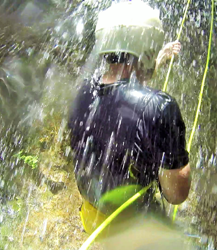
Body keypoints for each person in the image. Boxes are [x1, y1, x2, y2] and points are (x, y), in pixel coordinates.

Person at [68, 1, 191, 234]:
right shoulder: (161, 107)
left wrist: (160, 60)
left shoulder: (81, 93)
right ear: (147, 45)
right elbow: (176, 195)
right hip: (133, 230)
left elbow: (123, 93)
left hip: (93, 217)